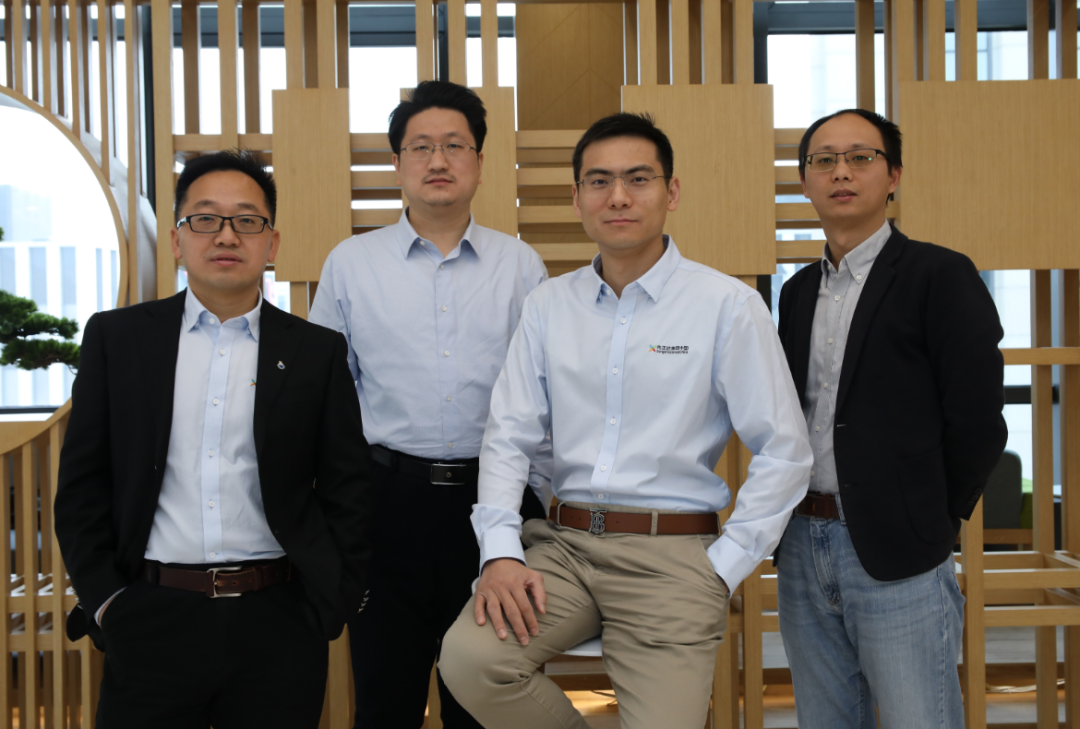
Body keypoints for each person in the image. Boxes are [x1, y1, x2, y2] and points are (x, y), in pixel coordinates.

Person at [439, 112, 813, 729]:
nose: (618, 196)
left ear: (671, 192)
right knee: (471, 662)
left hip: (674, 558)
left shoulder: (725, 305)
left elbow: (784, 450)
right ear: (578, 197)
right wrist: (500, 554)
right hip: (564, 549)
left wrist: (725, 566)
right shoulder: (548, 305)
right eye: (599, 181)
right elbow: (508, 437)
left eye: (638, 179)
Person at [54, 149, 375, 728]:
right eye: (205, 218)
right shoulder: (118, 340)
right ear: (177, 241)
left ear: (271, 243)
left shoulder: (316, 351)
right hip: (149, 614)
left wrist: (329, 603)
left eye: (247, 220)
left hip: (279, 619)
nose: (226, 235)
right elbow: (82, 487)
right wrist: (108, 604)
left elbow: (346, 488)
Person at [309, 79, 549, 729]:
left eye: (454, 145)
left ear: (479, 161)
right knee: (385, 697)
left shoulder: (521, 266)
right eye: (420, 147)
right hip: (387, 506)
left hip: (495, 503)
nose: (437, 160)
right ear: (397, 163)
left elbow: (545, 396)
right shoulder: (351, 263)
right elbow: (327, 398)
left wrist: (540, 500)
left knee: (486, 699)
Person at [774, 108, 1007, 729]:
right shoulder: (796, 292)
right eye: (824, 160)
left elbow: (979, 419)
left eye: (861, 158)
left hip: (899, 544)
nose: (841, 172)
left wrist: (933, 518)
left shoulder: (940, 274)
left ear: (894, 175)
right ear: (804, 181)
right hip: (802, 542)